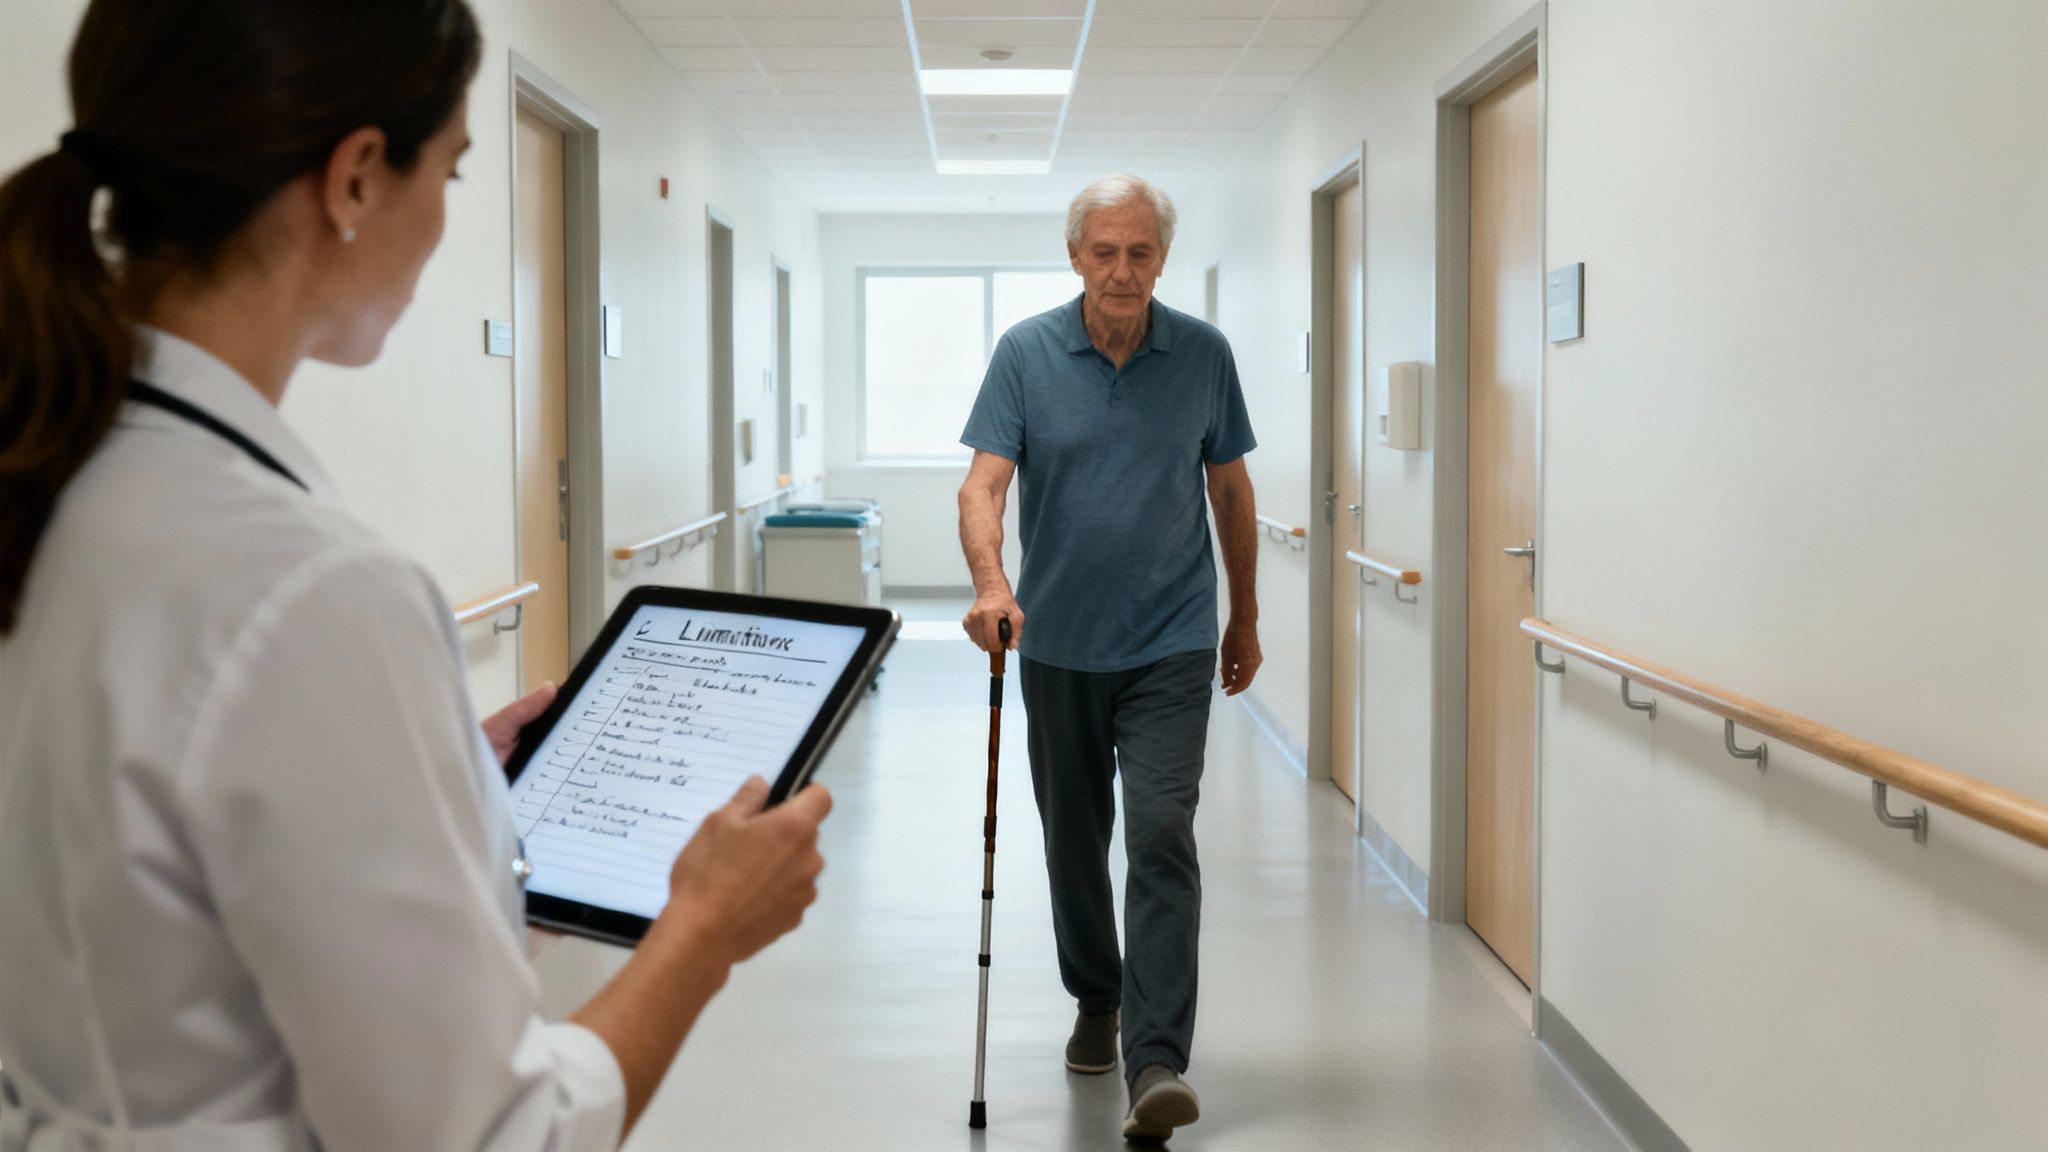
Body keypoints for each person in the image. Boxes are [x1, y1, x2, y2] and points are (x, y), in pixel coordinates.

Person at [0, 3, 830, 1149]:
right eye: (450, 169)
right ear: (352, 179)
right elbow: (486, 1135)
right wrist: (701, 929)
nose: (444, 220)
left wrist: (437, 803)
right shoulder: (310, 592)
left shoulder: (55, 479)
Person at [956, 173, 1261, 1143]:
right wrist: (990, 586)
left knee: (1162, 833)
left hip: (1170, 642)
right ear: (1075, 256)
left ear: (1161, 258)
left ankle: (1157, 1060)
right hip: (1058, 646)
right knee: (1072, 842)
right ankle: (1097, 994)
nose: (1121, 270)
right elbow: (982, 486)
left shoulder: (1202, 356)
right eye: (1104, 252)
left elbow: (1230, 494)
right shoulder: (1026, 354)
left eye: (1138, 252)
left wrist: (1241, 616)